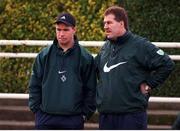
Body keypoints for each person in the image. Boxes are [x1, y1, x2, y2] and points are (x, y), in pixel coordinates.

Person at [95, 6, 175, 130]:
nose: (105, 26)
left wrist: (150, 83)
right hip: (106, 117)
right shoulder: (106, 47)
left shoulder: (140, 45)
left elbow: (167, 64)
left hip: (131, 117)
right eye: (104, 23)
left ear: (121, 23)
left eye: (109, 22)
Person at [28, 12, 96, 129]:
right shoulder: (44, 55)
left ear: (74, 30)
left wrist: (84, 115)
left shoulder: (85, 58)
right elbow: (34, 85)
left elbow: (91, 89)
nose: (61, 34)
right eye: (58, 30)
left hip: (73, 119)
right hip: (45, 118)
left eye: (65, 30)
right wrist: (37, 111)